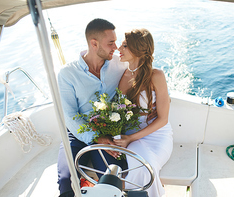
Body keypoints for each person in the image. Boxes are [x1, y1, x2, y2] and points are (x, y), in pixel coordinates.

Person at [57, 18, 127, 197]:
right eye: (111, 43)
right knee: (66, 182)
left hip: (107, 131)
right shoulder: (67, 74)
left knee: (113, 180)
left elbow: (142, 66)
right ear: (93, 43)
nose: (116, 47)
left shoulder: (119, 63)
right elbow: (70, 115)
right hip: (76, 132)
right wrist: (96, 138)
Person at [114, 28, 173, 197]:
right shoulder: (121, 75)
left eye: (124, 46)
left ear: (137, 49)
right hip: (130, 135)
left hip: (157, 135)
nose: (119, 49)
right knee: (143, 167)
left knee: (144, 166)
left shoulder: (156, 75)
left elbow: (162, 119)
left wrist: (130, 139)